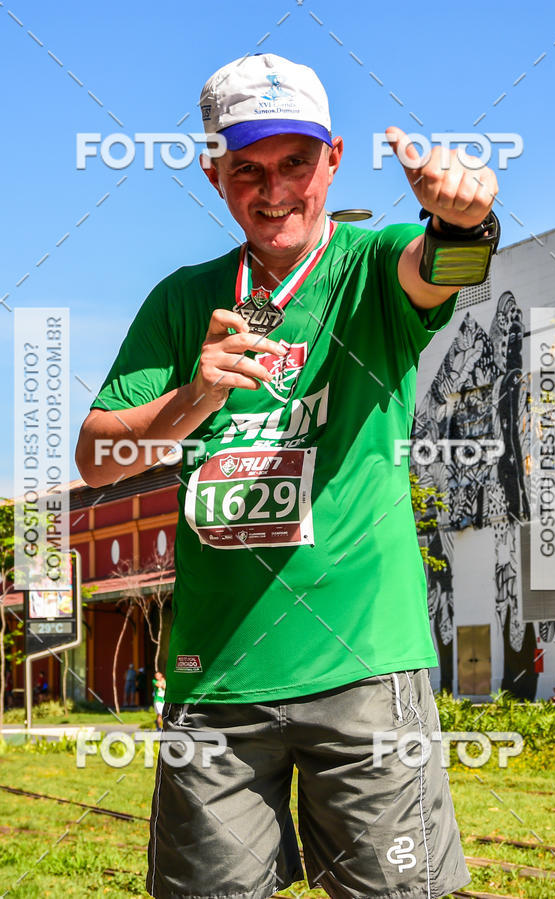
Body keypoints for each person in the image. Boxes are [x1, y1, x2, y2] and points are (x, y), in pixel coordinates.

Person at [76, 52, 499, 899]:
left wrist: (463, 223)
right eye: (248, 169)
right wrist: (192, 397)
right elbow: (96, 457)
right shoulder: (180, 299)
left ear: (333, 159)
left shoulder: (369, 267)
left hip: (365, 668)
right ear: (214, 176)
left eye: (295, 163)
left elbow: (440, 269)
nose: (275, 191)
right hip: (215, 678)